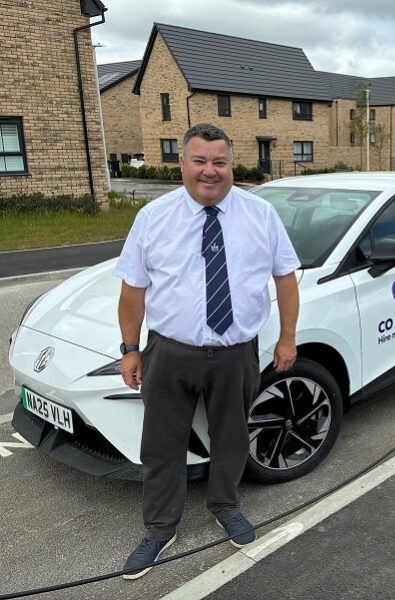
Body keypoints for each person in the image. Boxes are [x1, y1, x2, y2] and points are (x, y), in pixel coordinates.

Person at [115, 123, 300, 579]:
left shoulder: (261, 215)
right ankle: (160, 529)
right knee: (161, 445)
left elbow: (286, 279)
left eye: (219, 162)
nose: (209, 171)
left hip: (236, 352)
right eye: (199, 161)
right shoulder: (153, 218)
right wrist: (130, 348)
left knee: (232, 438)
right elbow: (132, 291)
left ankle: (226, 506)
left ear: (230, 163)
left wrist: (287, 336)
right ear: (182, 163)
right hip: (170, 353)